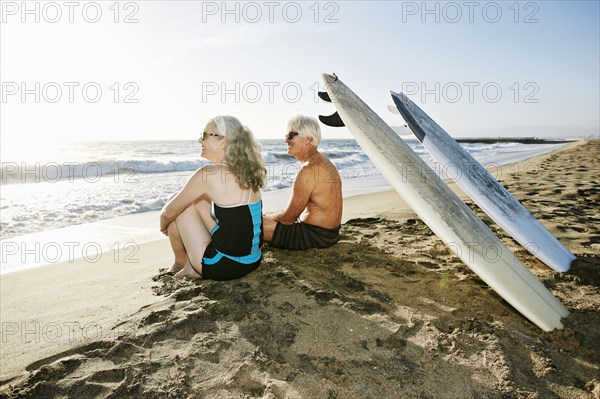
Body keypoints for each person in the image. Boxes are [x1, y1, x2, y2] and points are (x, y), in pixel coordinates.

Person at [160, 116, 266, 280]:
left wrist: (164, 225)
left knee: (178, 207)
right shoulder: (246, 171)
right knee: (189, 202)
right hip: (252, 259)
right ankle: (187, 265)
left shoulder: (209, 174)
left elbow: (167, 212)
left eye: (204, 135)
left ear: (223, 141)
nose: (199, 140)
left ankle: (182, 263)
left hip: (225, 266)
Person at [263, 114, 343, 249]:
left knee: (253, 224)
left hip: (314, 237)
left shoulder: (309, 170)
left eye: (290, 135)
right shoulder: (323, 162)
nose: (285, 140)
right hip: (330, 234)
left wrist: (265, 217)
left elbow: (288, 218)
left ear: (307, 140)